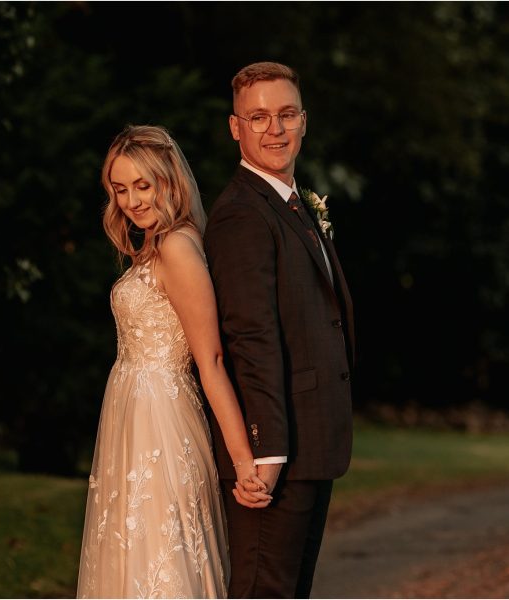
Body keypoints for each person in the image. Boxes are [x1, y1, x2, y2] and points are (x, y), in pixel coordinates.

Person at [76, 125, 271, 599]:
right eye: (119, 189)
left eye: (143, 185)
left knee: (164, 556)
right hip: (129, 416)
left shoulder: (178, 247)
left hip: (161, 423)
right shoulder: (151, 246)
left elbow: (212, 360)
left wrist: (245, 462)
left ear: (169, 180)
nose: (131, 201)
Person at [204, 62, 356, 598]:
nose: (275, 128)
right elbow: (250, 338)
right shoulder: (242, 214)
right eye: (259, 116)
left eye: (286, 115)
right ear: (235, 127)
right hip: (276, 450)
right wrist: (265, 453)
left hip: (311, 439)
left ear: (304, 121)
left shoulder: (294, 204)